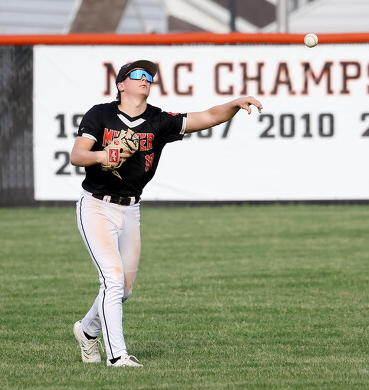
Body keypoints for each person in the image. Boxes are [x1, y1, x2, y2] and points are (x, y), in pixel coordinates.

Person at [70, 60, 262, 367]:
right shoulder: (101, 114)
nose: (145, 78)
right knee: (113, 279)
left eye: (149, 75)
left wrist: (234, 105)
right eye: (137, 74)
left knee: (124, 289)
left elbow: (208, 116)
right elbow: (77, 155)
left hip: (130, 208)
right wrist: (104, 155)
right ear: (121, 84)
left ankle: (88, 332)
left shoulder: (158, 120)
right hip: (96, 205)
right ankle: (117, 357)